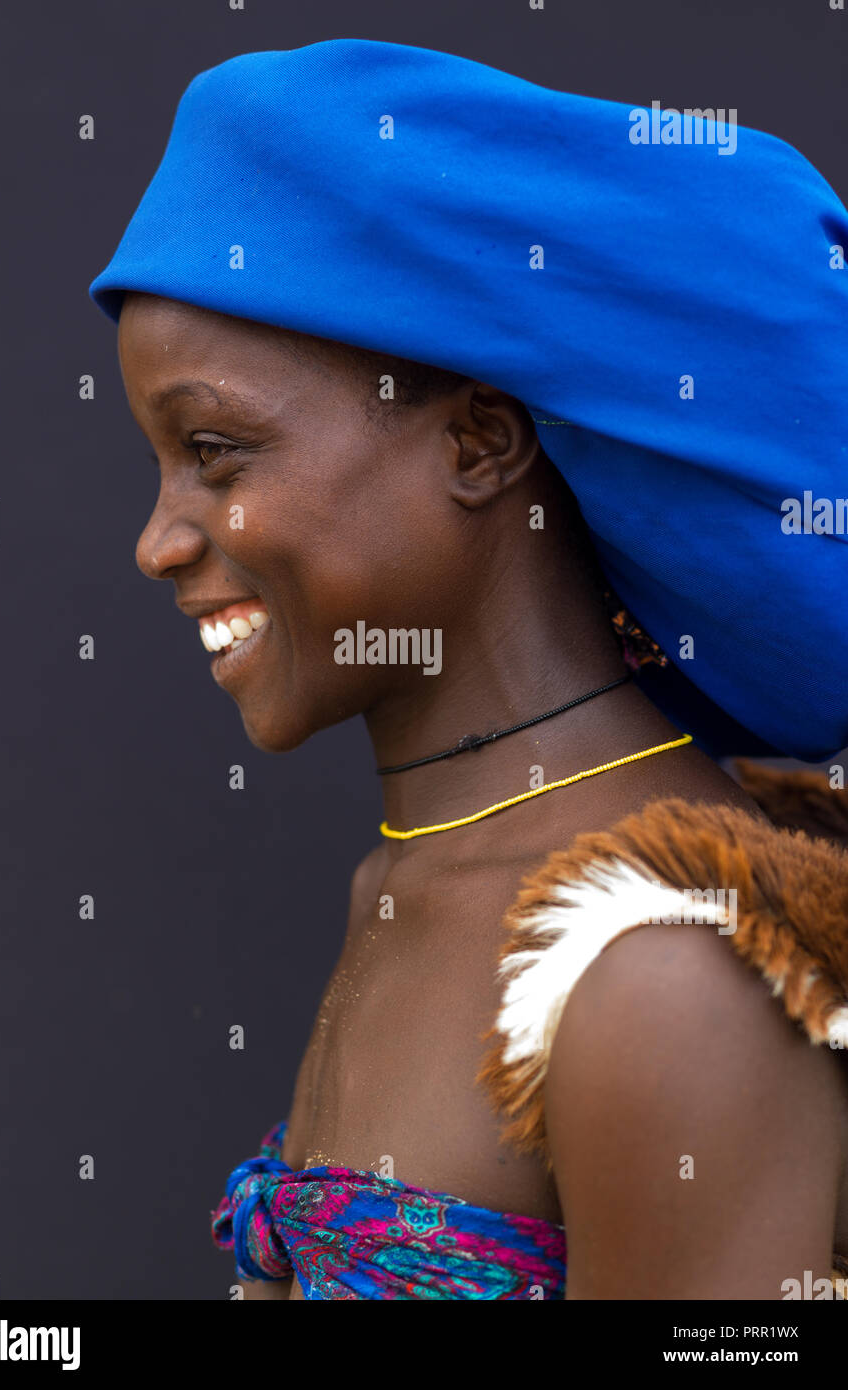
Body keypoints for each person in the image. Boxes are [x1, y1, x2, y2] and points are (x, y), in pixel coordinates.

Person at [89, 39, 848, 1300]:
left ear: (481, 443)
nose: (159, 541)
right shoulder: (409, 877)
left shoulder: (661, 965)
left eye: (217, 452)